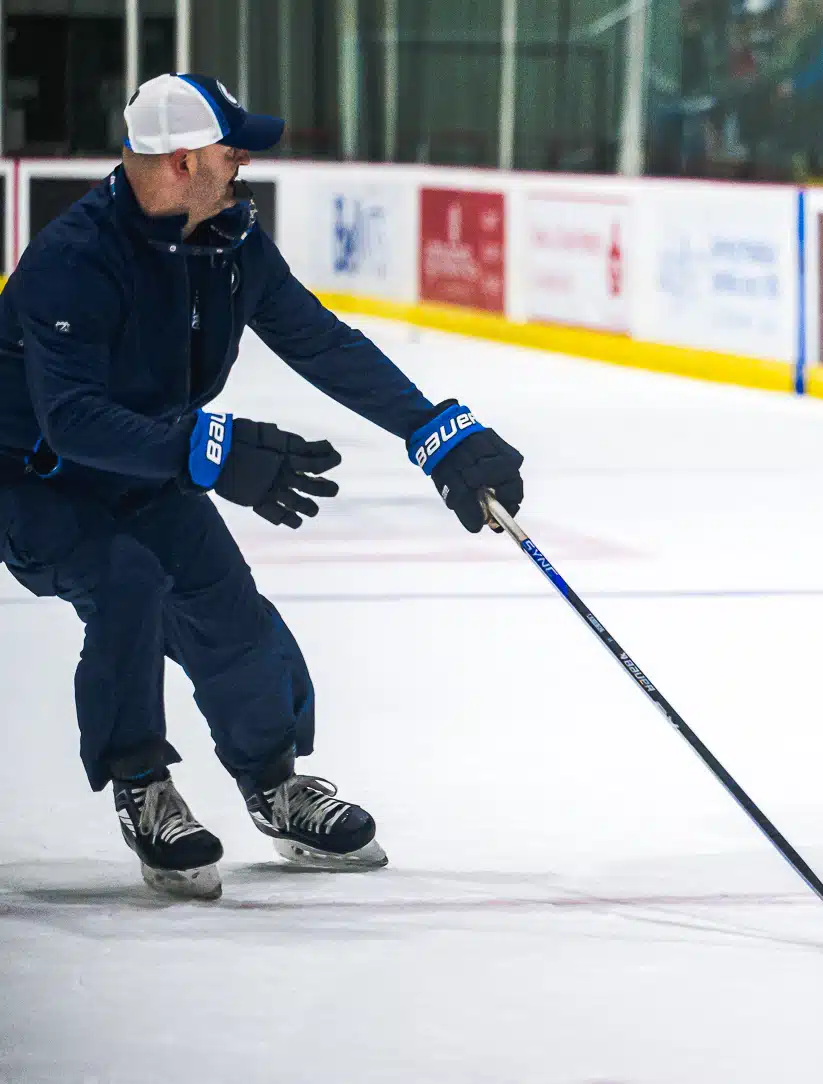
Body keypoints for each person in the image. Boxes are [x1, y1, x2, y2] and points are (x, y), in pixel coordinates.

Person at [0, 74, 525, 899]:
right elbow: (71, 421)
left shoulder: (229, 241)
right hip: (34, 480)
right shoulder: (72, 260)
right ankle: (143, 785)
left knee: (226, 608)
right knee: (128, 583)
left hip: (148, 465)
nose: (243, 162)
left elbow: (321, 341)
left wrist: (434, 432)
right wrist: (211, 451)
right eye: (230, 150)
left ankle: (275, 786)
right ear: (180, 163)